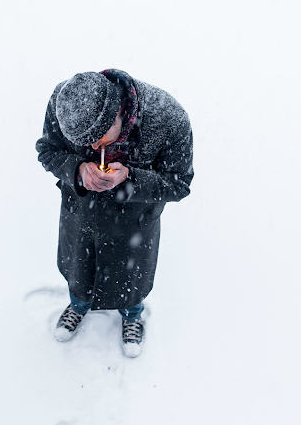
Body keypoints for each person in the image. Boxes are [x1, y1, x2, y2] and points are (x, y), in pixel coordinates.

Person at [36, 69, 193, 357]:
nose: (94, 148)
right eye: (85, 143)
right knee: (79, 275)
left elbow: (180, 183)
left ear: (119, 112)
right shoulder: (64, 102)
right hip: (81, 216)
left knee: (130, 284)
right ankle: (78, 305)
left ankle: (132, 317)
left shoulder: (169, 118)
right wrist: (78, 169)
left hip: (134, 226)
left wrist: (131, 180)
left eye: (98, 139)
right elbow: (47, 150)